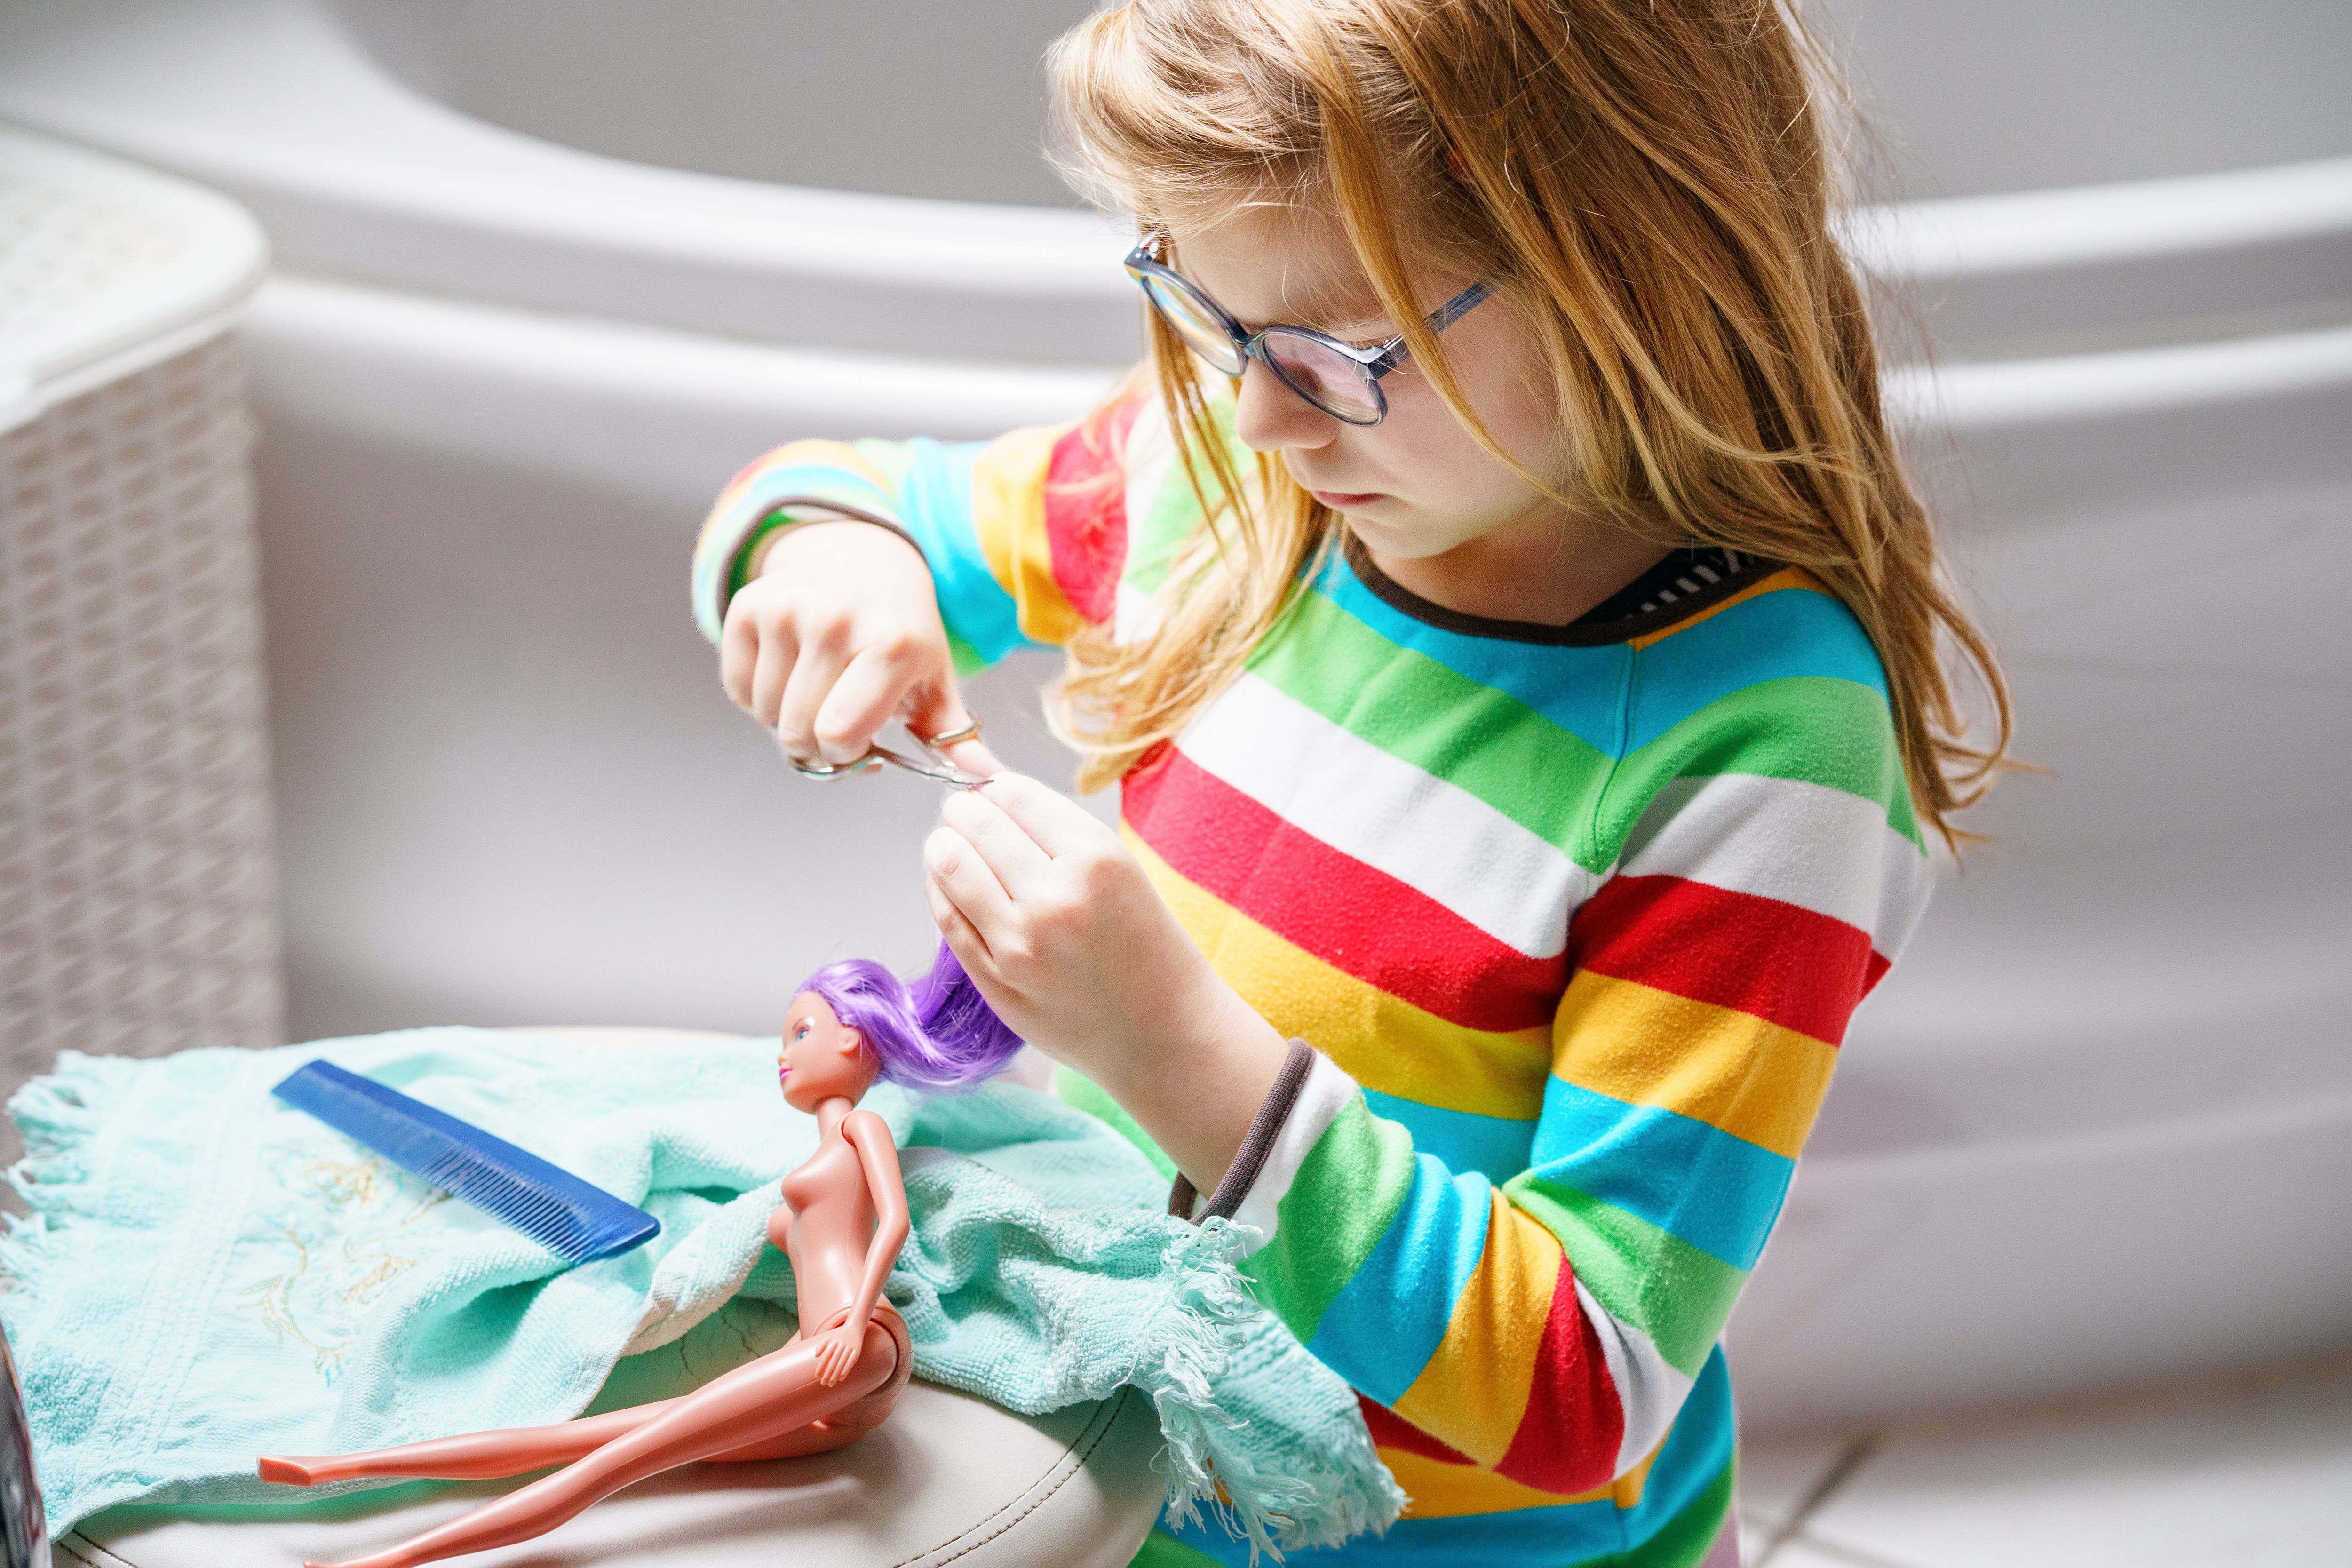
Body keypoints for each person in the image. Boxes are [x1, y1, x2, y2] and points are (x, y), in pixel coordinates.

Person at [695, 0, 2010, 1562]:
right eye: (1210, 314)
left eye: (1327, 348)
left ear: (1629, 272)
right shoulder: (1237, 485)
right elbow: (839, 497)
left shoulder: (1760, 750)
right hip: (1133, 1496)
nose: (1256, 407)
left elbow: (1589, 1383)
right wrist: (837, 566)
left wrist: (1164, 1040)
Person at [258, 949, 1020, 1568]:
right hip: (822, 1368)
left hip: (853, 1349)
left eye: (800, 1032)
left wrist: (854, 1323)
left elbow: (892, 1224)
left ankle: (390, 1561)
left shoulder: (864, 1133)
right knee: (582, 1437)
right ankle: (337, 1470)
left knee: (611, 1463)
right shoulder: (824, 1149)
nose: (781, 1054)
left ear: (851, 1040)